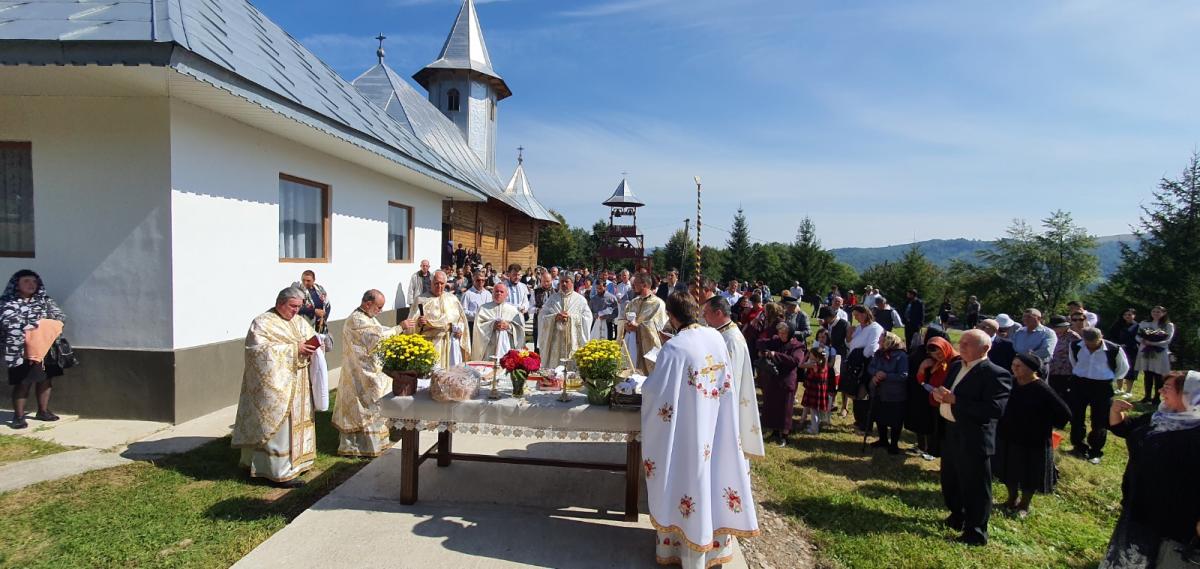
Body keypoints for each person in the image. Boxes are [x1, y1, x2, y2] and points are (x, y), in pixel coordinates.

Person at [640, 292, 759, 568]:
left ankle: (681, 551)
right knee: (713, 478)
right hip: (716, 425)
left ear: (671, 316)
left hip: (688, 432)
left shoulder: (675, 348)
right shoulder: (716, 337)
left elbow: (657, 394)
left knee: (688, 480)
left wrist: (643, 389)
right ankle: (714, 550)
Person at [1100, 372, 1200, 568]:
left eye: (1168, 388)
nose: (1160, 391)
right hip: (1140, 502)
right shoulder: (1160, 416)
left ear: (1189, 394)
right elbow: (1125, 429)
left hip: (1173, 516)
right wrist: (1115, 411)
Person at [931, 329, 1012, 546]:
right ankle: (957, 515)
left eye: (968, 343)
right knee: (951, 481)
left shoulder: (996, 374)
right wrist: (939, 394)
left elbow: (995, 409)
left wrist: (956, 400)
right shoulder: (957, 365)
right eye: (962, 342)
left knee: (975, 486)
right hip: (951, 432)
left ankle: (976, 531)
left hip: (973, 437)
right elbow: (948, 391)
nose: (962, 346)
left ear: (985, 349)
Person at [232, 287, 319, 487]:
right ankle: (276, 470)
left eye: (299, 307)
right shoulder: (262, 323)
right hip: (275, 388)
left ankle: (298, 463)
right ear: (281, 303)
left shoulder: (298, 321)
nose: (296, 311)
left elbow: (310, 337)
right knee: (279, 428)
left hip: (298, 383)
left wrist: (316, 345)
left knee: (297, 424)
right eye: (293, 306)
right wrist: (293, 349)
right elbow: (256, 352)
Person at [994, 352, 1071, 519]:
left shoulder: (1041, 388)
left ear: (1031, 369)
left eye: (1019, 366)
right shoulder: (1012, 383)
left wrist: (1043, 422)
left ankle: (1024, 505)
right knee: (1009, 469)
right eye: (1013, 365)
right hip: (1009, 434)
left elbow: (1064, 413)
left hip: (1032, 438)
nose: (1014, 369)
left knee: (1029, 473)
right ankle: (1011, 498)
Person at [333, 290, 403, 458]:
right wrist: (399, 328)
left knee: (377, 400)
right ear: (367, 303)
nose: (380, 310)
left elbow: (378, 329)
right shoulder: (356, 320)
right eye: (378, 307)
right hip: (360, 372)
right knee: (366, 407)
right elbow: (377, 338)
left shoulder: (367, 317)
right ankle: (358, 446)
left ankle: (379, 441)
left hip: (368, 368)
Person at [2, 270, 67, 429]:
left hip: (46, 348)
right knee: (23, 382)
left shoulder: (44, 300)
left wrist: (39, 326)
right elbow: (9, 322)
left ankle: (43, 411)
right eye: (26, 281)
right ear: (17, 284)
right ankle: (18, 416)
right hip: (20, 350)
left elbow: (59, 317)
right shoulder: (7, 302)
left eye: (34, 281)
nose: (31, 285)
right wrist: (38, 324)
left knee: (46, 380)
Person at [702, 296, 765, 457]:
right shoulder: (722, 333)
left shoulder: (731, 340)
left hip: (724, 404)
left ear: (718, 313)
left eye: (706, 313)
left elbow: (731, 381)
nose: (703, 317)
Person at [1067, 327, 1130, 464]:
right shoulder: (1075, 346)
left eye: (1095, 342)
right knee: (1076, 416)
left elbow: (1123, 368)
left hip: (1102, 386)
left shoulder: (1114, 349)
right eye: (1088, 343)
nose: (1091, 346)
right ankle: (1078, 446)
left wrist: (1108, 378)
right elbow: (1074, 362)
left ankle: (1095, 451)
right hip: (1080, 383)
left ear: (1101, 337)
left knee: (1099, 420)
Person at [401, 271, 469, 368]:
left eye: (442, 283)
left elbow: (461, 320)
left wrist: (460, 330)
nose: (439, 286)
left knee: (449, 375)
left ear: (445, 284)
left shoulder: (452, 299)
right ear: (431, 283)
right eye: (436, 283)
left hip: (449, 343)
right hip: (430, 344)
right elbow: (410, 324)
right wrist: (419, 323)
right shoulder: (421, 300)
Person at [909, 336, 961, 461]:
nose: (938, 357)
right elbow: (921, 380)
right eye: (935, 355)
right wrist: (922, 368)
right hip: (935, 402)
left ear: (946, 348)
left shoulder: (957, 362)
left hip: (949, 404)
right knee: (936, 430)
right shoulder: (936, 362)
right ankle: (933, 451)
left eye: (940, 353)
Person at [757, 322, 806, 446]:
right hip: (773, 377)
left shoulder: (798, 346)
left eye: (784, 333)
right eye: (780, 332)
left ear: (790, 333)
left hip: (786, 380)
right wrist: (765, 351)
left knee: (785, 408)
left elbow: (795, 361)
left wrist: (776, 355)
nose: (781, 335)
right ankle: (774, 430)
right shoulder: (776, 340)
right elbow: (760, 343)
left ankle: (784, 435)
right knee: (772, 405)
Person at [536, 274, 592, 368]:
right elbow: (542, 316)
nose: (564, 284)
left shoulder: (580, 300)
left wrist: (570, 318)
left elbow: (587, 318)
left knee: (572, 369)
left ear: (572, 283)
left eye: (567, 281)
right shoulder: (553, 299)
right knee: (554, 370)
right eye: (562, 281)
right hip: (556, 341)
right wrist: (554, 317)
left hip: (573, 342)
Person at [867, 332, 909, 454]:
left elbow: (903, 375)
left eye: (881, 340)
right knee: (880, 418)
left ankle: (894, 445)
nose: (879, 342)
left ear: (888, 342)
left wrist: (886, 376)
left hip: (895, 395)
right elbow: (871, 367)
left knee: (895, 421)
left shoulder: (901, 356)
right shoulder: (879, 354)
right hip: (880, 392)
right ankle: (883, 440)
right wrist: (876, 374)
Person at [617, 272, 668, 375]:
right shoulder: (633, 302)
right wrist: (626, 325)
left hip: (647, 347)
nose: (632, 286)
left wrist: (639, 327)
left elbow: (661, 327)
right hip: (632, 343)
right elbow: (624, 319)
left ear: (644, 285)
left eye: (635, 283)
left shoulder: (658, 304)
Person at [845, 306, 884, 431]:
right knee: (855, 392)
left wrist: (861, 358)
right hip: (855, 362)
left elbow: (872, 347)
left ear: (865, 314)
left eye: (858, 315)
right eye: (854, 315)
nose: (856, 318)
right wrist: (849, 335)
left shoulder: (875, 327)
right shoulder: (858, 328)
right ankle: (858, 421)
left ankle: (865, 424)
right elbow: (850, 344)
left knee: (863, 393)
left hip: (866, 362)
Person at [472, 282, 524, 361]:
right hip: (488, 349)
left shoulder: (513, 310)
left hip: (507, 347)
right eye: (496, 291)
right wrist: (492, 325)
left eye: (501, 292)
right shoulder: (483, 308)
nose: (499, 293)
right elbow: (478, 327)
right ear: (492, 293)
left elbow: (520, 329)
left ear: (507, 295)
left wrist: (508, 326)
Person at [1135, 306, 1175, 405]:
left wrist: (1154, 343)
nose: (1155, 313)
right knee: (1147, 374)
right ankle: (1147, 396)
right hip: (1145, 349)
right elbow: (1137, 335)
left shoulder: (1168, 325)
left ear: (1164, 313)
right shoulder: (1144, 323)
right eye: (1153, 311)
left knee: (1158, 375)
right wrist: (1143, 341)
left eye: (1158, 312)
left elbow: (1168, 339)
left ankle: (1156, 398)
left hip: (1159, 351)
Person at [1107, 308, 1140, 397]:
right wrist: (1117, 345)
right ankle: (1119, 388)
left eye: (1129, 315)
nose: (1127, 316)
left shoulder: (1137, 326)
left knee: (1130, 370)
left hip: (1132, 350)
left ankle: (1128, 391)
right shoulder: (1117, 324)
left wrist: (1126, 345)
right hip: (1118, 349)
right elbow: (1111, 335)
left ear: (1134, 315)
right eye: (1125, 315)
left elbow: (1138, 339)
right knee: (1120, 368)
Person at [1047, 315, 1079, 401]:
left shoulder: (1073, 336)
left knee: (1065, 395)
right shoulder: (1050, 335)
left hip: (1067, 371)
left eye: (1057, 327)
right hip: (1052, 369)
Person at [293, 270, 331, 335]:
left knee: (324, 343)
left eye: (308, 281)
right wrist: (314, 311)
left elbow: (327, 305)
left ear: (314, 280)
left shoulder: (320, 289)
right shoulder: (297, 291)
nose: (305, 283)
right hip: (304, 327)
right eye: (303, 280)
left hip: (320, 327)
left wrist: (324, 319)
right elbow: (295, 308)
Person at [460, 271, 492, 336]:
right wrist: (477, 315)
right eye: (478, 280)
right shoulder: (467, 294)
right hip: (472, 325)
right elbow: (462, 312)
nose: (481, 282)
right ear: (473, 280)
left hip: (486, 326)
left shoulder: (488, 294)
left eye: (483, 280)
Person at [531, 271, 554, 348]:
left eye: (548, 281)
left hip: (552, 323)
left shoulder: (556, 292)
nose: (546, 283)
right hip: (538, 323)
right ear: (541, 281)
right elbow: (530, 308)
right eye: (544, 281)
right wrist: (538, 310)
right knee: (537, 347)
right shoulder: (535, 292)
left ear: (552, 281)